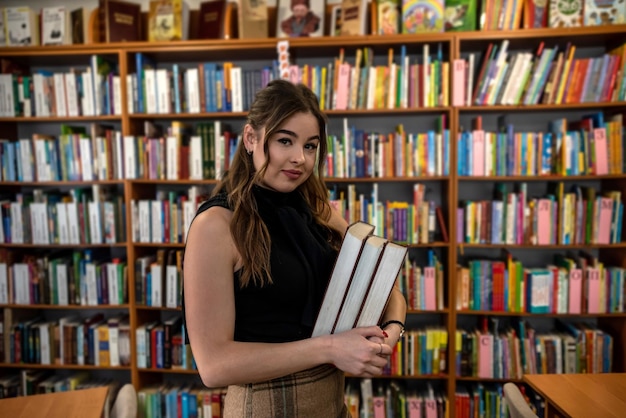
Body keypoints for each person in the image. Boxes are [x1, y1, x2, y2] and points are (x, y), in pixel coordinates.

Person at [183, 79, 407, 417]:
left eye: (311, 146)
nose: (300, 158)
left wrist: (392, 331)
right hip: (266, 407)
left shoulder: (315, 211)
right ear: (251, 139)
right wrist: (330, 348)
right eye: (285, 141)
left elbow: (387, 291)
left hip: (331, 404)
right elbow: (214, 366)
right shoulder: (216, 225)